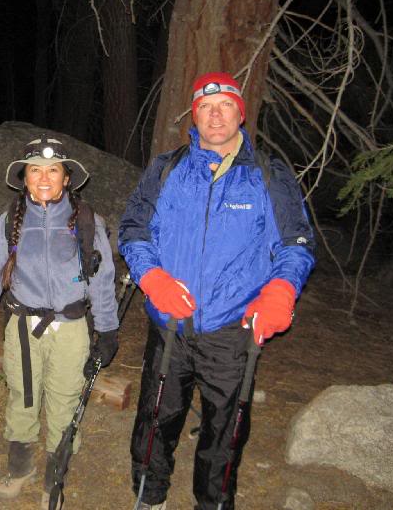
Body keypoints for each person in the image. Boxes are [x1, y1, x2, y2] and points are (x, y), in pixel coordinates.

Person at [119, 72, 315, 510]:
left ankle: (212, 503)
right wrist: (152, 277)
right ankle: (149, 497)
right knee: (155, 420)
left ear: (240, 114)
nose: (215, 114)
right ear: (194, 115)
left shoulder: (268, 174)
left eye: (225, 104)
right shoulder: (166, 169)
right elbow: (133, 230)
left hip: (231, 330)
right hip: (170, 325)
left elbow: (295, 244)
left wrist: (281, 290)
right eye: (206, 107)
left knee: (224, 432)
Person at [0, 136, 120, 508]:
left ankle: (56, 474)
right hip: (23, 327)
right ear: (25, 178)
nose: (44, 178)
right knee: (23, 396)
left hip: (70, 328)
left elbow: (102, 279)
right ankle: (20, 467)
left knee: (65, 400)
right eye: (35, 171)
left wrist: (108, 328)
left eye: (53, 170)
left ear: (67, 177)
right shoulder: (11, 222)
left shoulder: (87, 221)